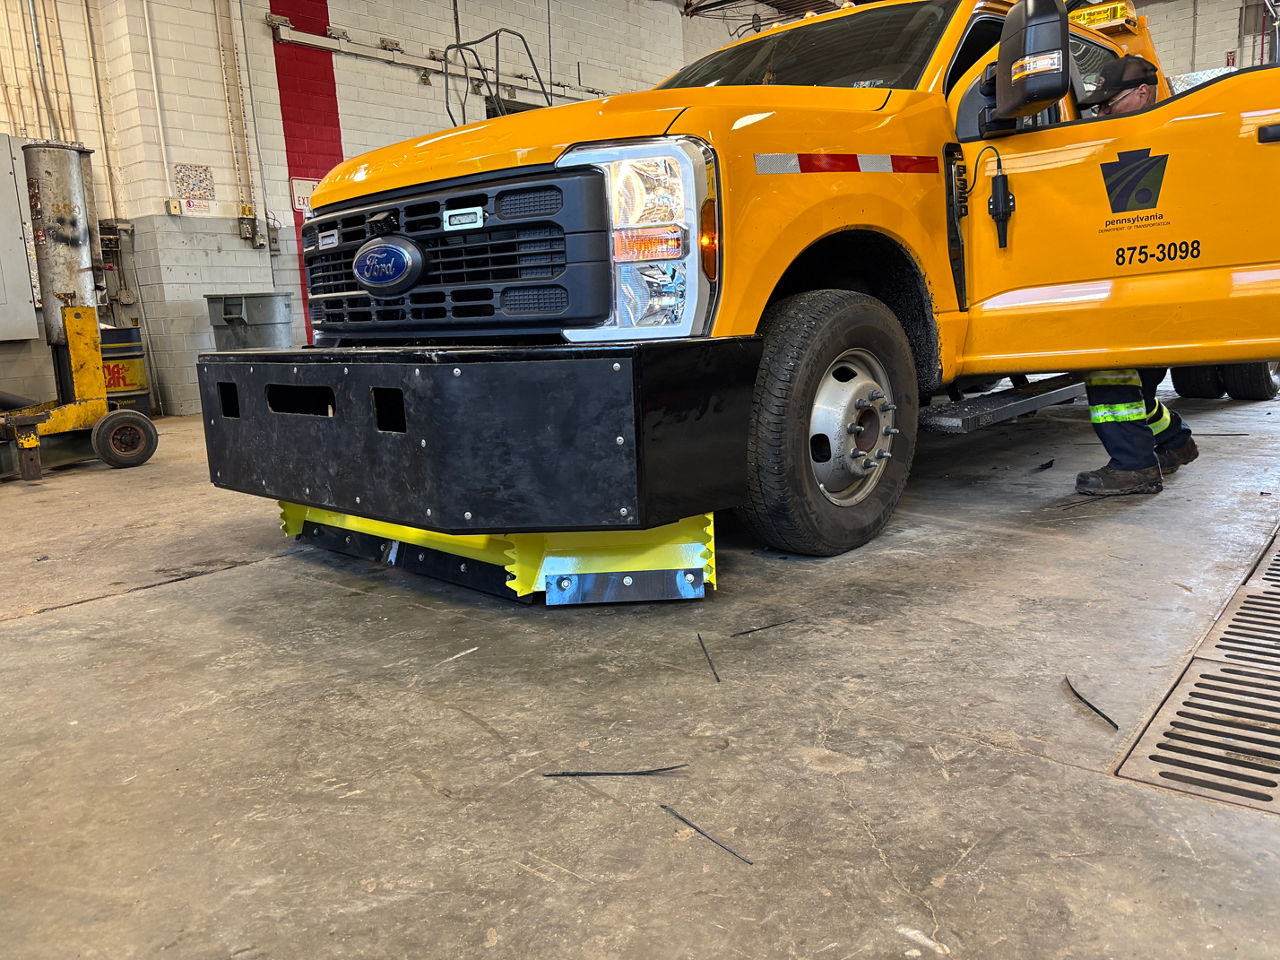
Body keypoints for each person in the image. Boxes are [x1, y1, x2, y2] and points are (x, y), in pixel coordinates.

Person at [1072, 56, 1199, 496]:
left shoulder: (1160, 140)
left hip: (1143, 283)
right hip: (1147, 281)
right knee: (1138, 386)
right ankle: (1175, 443)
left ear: (1143, 94)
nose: (1101, 115)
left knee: (1110, 371)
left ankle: (1133, 466)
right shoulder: (1142, 139)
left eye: (1110, 105)